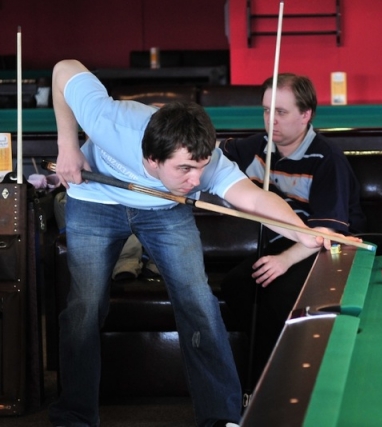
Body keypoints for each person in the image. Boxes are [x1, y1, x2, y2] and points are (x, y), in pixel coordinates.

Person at [48, 59, 355, 427]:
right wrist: (67, 145)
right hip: (96, 199)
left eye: (201, 168)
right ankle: (74, 417)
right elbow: (63, 69)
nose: (196, 181)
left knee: (199, 302)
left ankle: (220, 418)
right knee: (84, 306)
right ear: (151, 159)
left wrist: (302, 232)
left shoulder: (207, 164)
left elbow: (255, 198)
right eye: (184, 169)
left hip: (164, 209)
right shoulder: (109, 121)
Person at [219, 73, 366, 388]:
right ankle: (269, 374)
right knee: (235, 285)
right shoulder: (255, 148)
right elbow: (213, 155)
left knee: (278, 296)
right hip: (281, 246)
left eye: (281, 112)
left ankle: (285, 381)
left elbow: (326, 232)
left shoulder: (327, 159)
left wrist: (284, 260)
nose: (270, 120)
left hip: (328, 251)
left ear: (305, 115)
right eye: (266, 110)